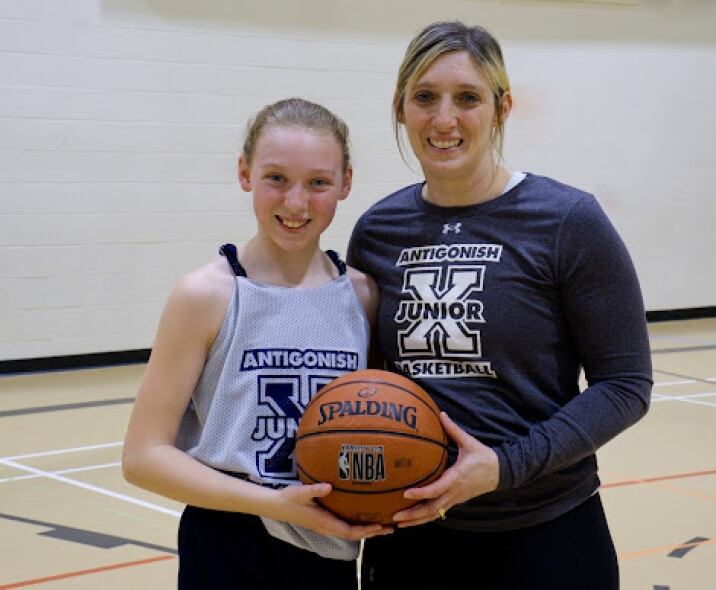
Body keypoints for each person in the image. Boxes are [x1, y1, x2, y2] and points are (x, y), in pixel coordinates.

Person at [347, 21, 653, 589]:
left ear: (502, 107)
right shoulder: (378, 230)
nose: (444, 119)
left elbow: (625, 384)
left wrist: (505, 467)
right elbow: (368, 380)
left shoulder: (567, 220)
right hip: (414, 534)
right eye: (425, 97)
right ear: (399, 108)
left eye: (467, 98)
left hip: (547, 533)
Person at [122, 98, 390, 590]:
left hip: (330, 546)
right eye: (276, 178)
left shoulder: (362, 296)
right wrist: (273, 503)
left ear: (346, 183)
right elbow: (142, 456)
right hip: (229, 540)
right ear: (245, 173)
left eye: (318, 183)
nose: (295, 202)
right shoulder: (206, 295)